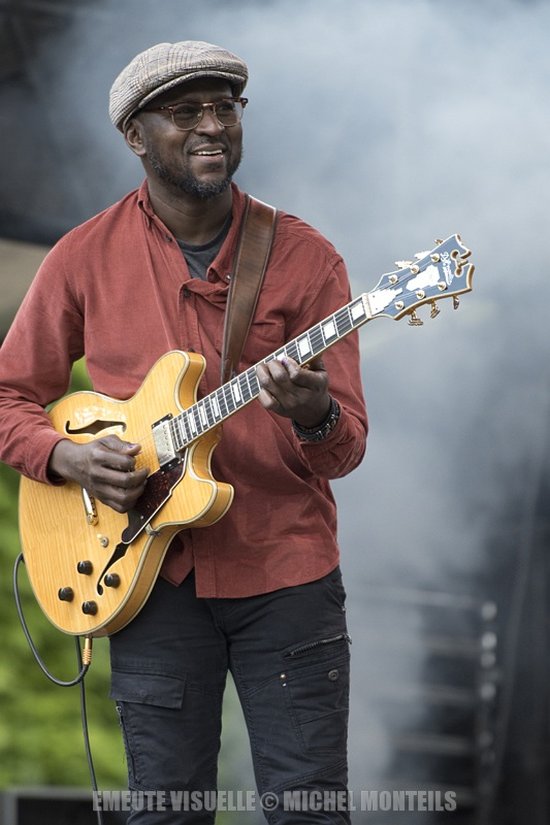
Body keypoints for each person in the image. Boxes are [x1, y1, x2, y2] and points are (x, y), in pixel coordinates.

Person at [0, 41, 367, 823]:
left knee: (310, 810)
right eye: (185, 111)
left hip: (288, 574)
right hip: (149, 579)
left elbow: (346, 446)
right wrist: (66, 456)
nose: (211, 126)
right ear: (136, 135)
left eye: (225, 108)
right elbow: (9, 395)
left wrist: (314, 412)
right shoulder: (81, 258)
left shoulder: (306, 259)